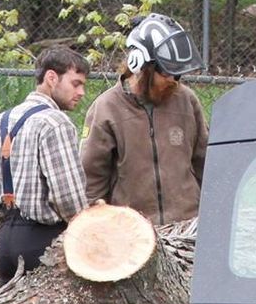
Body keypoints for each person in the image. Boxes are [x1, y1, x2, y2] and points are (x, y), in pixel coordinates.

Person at [0, 45, 91, 279]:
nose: (82, 92)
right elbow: (68, 199)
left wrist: (2, 223)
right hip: (47, 244)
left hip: (6, 245)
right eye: (76, 83)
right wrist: (89, 235)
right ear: (51, 78)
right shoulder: (56, 123)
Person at [81, 13, 209, 226]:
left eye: (178, 75)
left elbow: (205, 162)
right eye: (167, 73)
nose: (173, 81)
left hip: (187, 225)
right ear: (140, 65)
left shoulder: (187, 101)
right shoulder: (107, 109)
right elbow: (91, 179)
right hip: (133, 230)